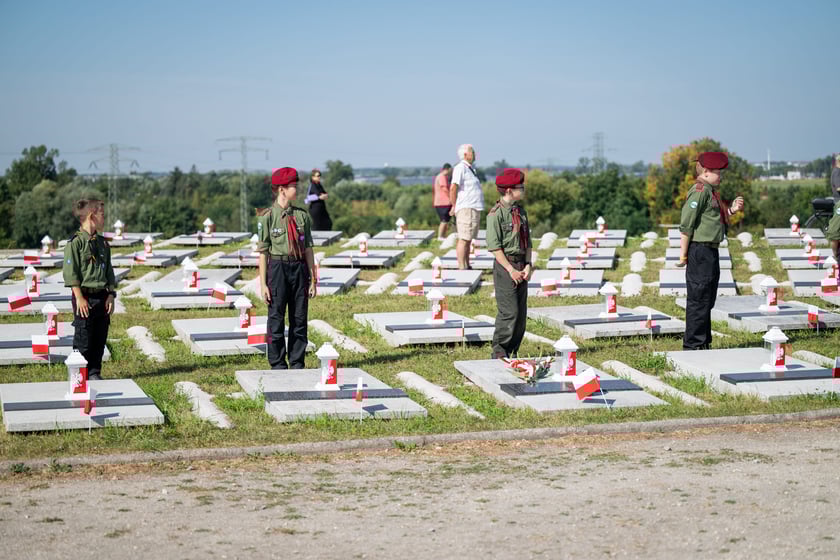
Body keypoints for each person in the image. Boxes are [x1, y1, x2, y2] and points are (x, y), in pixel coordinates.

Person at [677, 152, 744, 350]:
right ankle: (693, 345)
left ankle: (703, 342)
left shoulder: (710, 192)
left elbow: (712, 219)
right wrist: (683, 255)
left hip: (710, 252)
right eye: (718, 172)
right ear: (706, 172)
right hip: (700, 251)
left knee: (707, 298)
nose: (721, 176)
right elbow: (686, 224)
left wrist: (731, 210)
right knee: (699, 298)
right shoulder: (699, 191)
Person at [257, 167, 317, 369]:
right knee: (276, 317)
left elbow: (308, 249)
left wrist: (312, 279)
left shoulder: (302, 217)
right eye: (293, 186)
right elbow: (263, 253)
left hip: (299, 268)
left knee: (299, 318)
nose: (297, 189)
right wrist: (263, 284)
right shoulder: (267, 217)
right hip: (278, 269)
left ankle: (297, 361)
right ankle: (277, 363)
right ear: (282, 189)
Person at [63, 199, 117, 380]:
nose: (104, 218)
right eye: (102, 215)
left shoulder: (102, 244)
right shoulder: (75, 244)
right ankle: (79, 375)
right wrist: (79, 298)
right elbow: (71, 273)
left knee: (99, 338)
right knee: (83, 338)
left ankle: (94, 372)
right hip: (84, 297)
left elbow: (109, 271)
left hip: (102, 297)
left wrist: (110, 294)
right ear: (92, 215)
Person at [486, 168, 532, 359]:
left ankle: (512, 352)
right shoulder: (495, 215)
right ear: (509, 191)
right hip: (506, 267)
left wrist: (528, 265)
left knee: (521, 316)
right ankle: (499, 352)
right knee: (509, 312)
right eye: (520, 187)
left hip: (521, 265)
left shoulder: (520, 212)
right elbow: (495, 247)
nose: (523, 189)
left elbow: (527, 241)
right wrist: (511, 269)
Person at [449, 144, 485, 269]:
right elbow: (453, 188)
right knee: (464, 238)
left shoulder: (470, 168)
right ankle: (461, 266)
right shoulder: (460, 168)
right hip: (466, 207)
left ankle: (467, 265)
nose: (474, 154)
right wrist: (454, 205)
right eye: (472, 152)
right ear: (465, 154)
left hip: (473, 207)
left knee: (469, 239)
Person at [433, 163, 453, 240]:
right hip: (442, 203)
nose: (451, 172)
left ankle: (443, 236)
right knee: (444, 220)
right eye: (450, 170)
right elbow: (444, 189)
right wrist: (451, 197)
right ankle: (440, 236)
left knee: (446, 220)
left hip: (442, 203)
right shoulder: (442, 177)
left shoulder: (440, 176)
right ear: (447, 169)